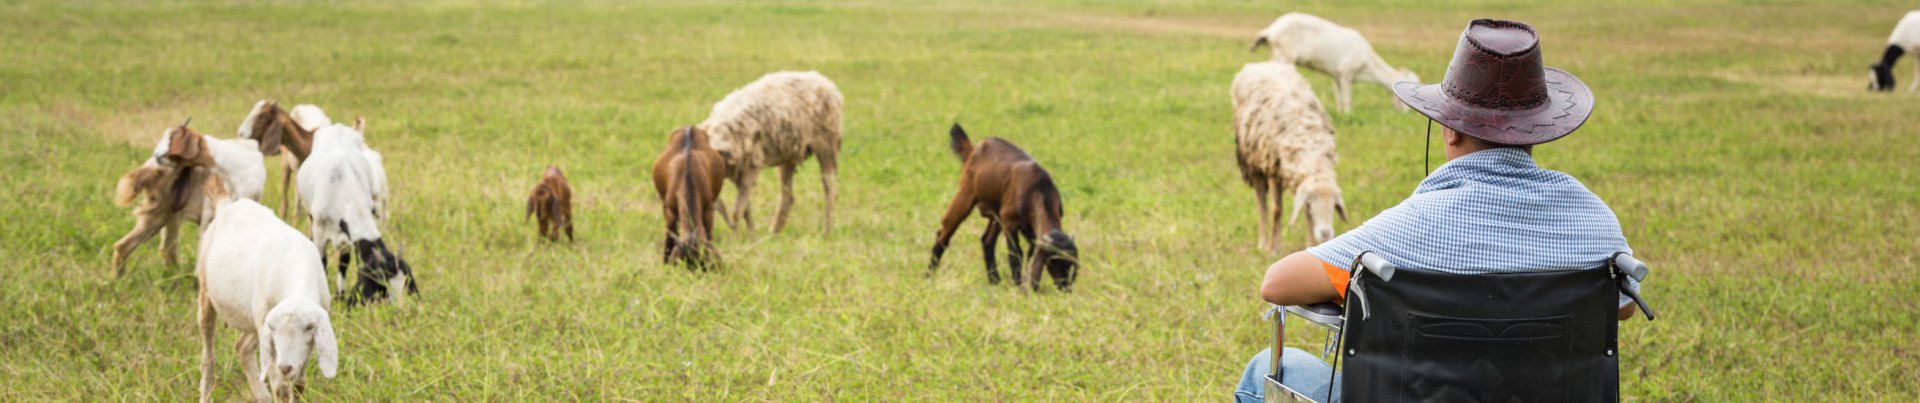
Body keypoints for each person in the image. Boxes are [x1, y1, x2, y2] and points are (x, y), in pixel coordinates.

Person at [1232, 19, 1645, 403]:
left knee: (1262, 370)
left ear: (1448, 128)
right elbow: (1624, 306)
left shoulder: (1411, 226)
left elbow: (1278, 283)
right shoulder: (1594, 218)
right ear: (1539, 129)